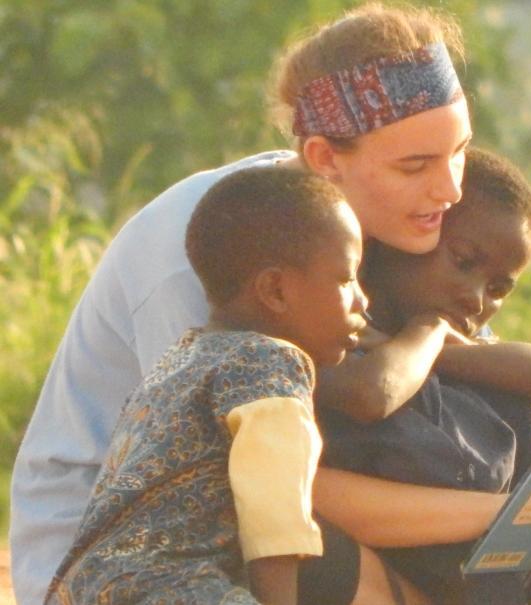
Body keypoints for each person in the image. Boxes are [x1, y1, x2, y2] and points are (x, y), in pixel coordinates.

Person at [12, 4, 473, 603]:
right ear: (324, 159)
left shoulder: (380, 221)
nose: (451, 187)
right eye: (416, 166)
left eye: (459, 150)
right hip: (115, 560)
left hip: (251, 520)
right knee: (329, 563)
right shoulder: (212, 254)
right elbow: (269, 486)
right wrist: (501, 511)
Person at [45, 166, 367, 604]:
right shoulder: (271, 362)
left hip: (82, 588)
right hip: (175, 589)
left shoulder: (181, 358)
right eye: (346, 280)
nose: (361, 302)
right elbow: (274, 517)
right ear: (274, 290)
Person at [298, 147, 531, 604]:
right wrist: (423, 334)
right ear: (407, 235)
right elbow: (375, 395)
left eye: (498, 289)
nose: (475, 300)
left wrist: (433, 346)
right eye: (463, 261)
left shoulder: (483, 379)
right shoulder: (334, 352)